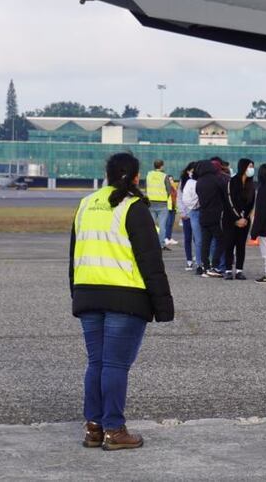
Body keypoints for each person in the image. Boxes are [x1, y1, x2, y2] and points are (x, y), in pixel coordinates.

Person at [69, 152, 173, 450]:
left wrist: (76, 293)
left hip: (88, 292)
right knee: (115, 365)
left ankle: (94, 427)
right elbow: (150, 262)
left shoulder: (86, 204)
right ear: (136, 177)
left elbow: (74, 255)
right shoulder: (133, 207)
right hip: (125, 297)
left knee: (96, 363)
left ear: (107, 174)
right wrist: (163, 305)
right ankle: (114, 429)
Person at [222, 158, 256, 280]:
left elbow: (252, 203)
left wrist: (245, 218)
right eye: (249, 166)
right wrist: (237, 218)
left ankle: (239, 270)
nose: (251, 169)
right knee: (229, 244)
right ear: (243, 167)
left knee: (241, 245)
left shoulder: (251, 185)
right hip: (230, 219)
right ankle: (228, 270)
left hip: (245, 221)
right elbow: (229, 201)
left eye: (252, 166)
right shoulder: (231, 182)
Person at [196, 159, 229, 278]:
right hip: (215, 215)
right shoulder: (216, 180)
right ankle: (215, 265)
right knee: (222, 240)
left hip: (203, 215)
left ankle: (206, 266)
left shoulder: (199, 182)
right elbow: (225, 195)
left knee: (206, 242)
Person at [144, 160, 174, 249]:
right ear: (161, 166)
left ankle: (150, 244)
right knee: (162, 226)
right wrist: (163, 197)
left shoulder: (149, 175)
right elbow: (169, 190)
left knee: (150, 226)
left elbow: (146, 188)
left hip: (151, 203)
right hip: (162, 204)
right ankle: (161, 245)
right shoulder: (164, 176)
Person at [181, 162, 203, 273]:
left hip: (196, 212)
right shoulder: (185, 182)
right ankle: (190, 260)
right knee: (189, 238)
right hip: (189, 213)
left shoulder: (201, 181)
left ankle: (201, 261)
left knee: (198, 239)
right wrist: (184, 211)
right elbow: (182, 199)